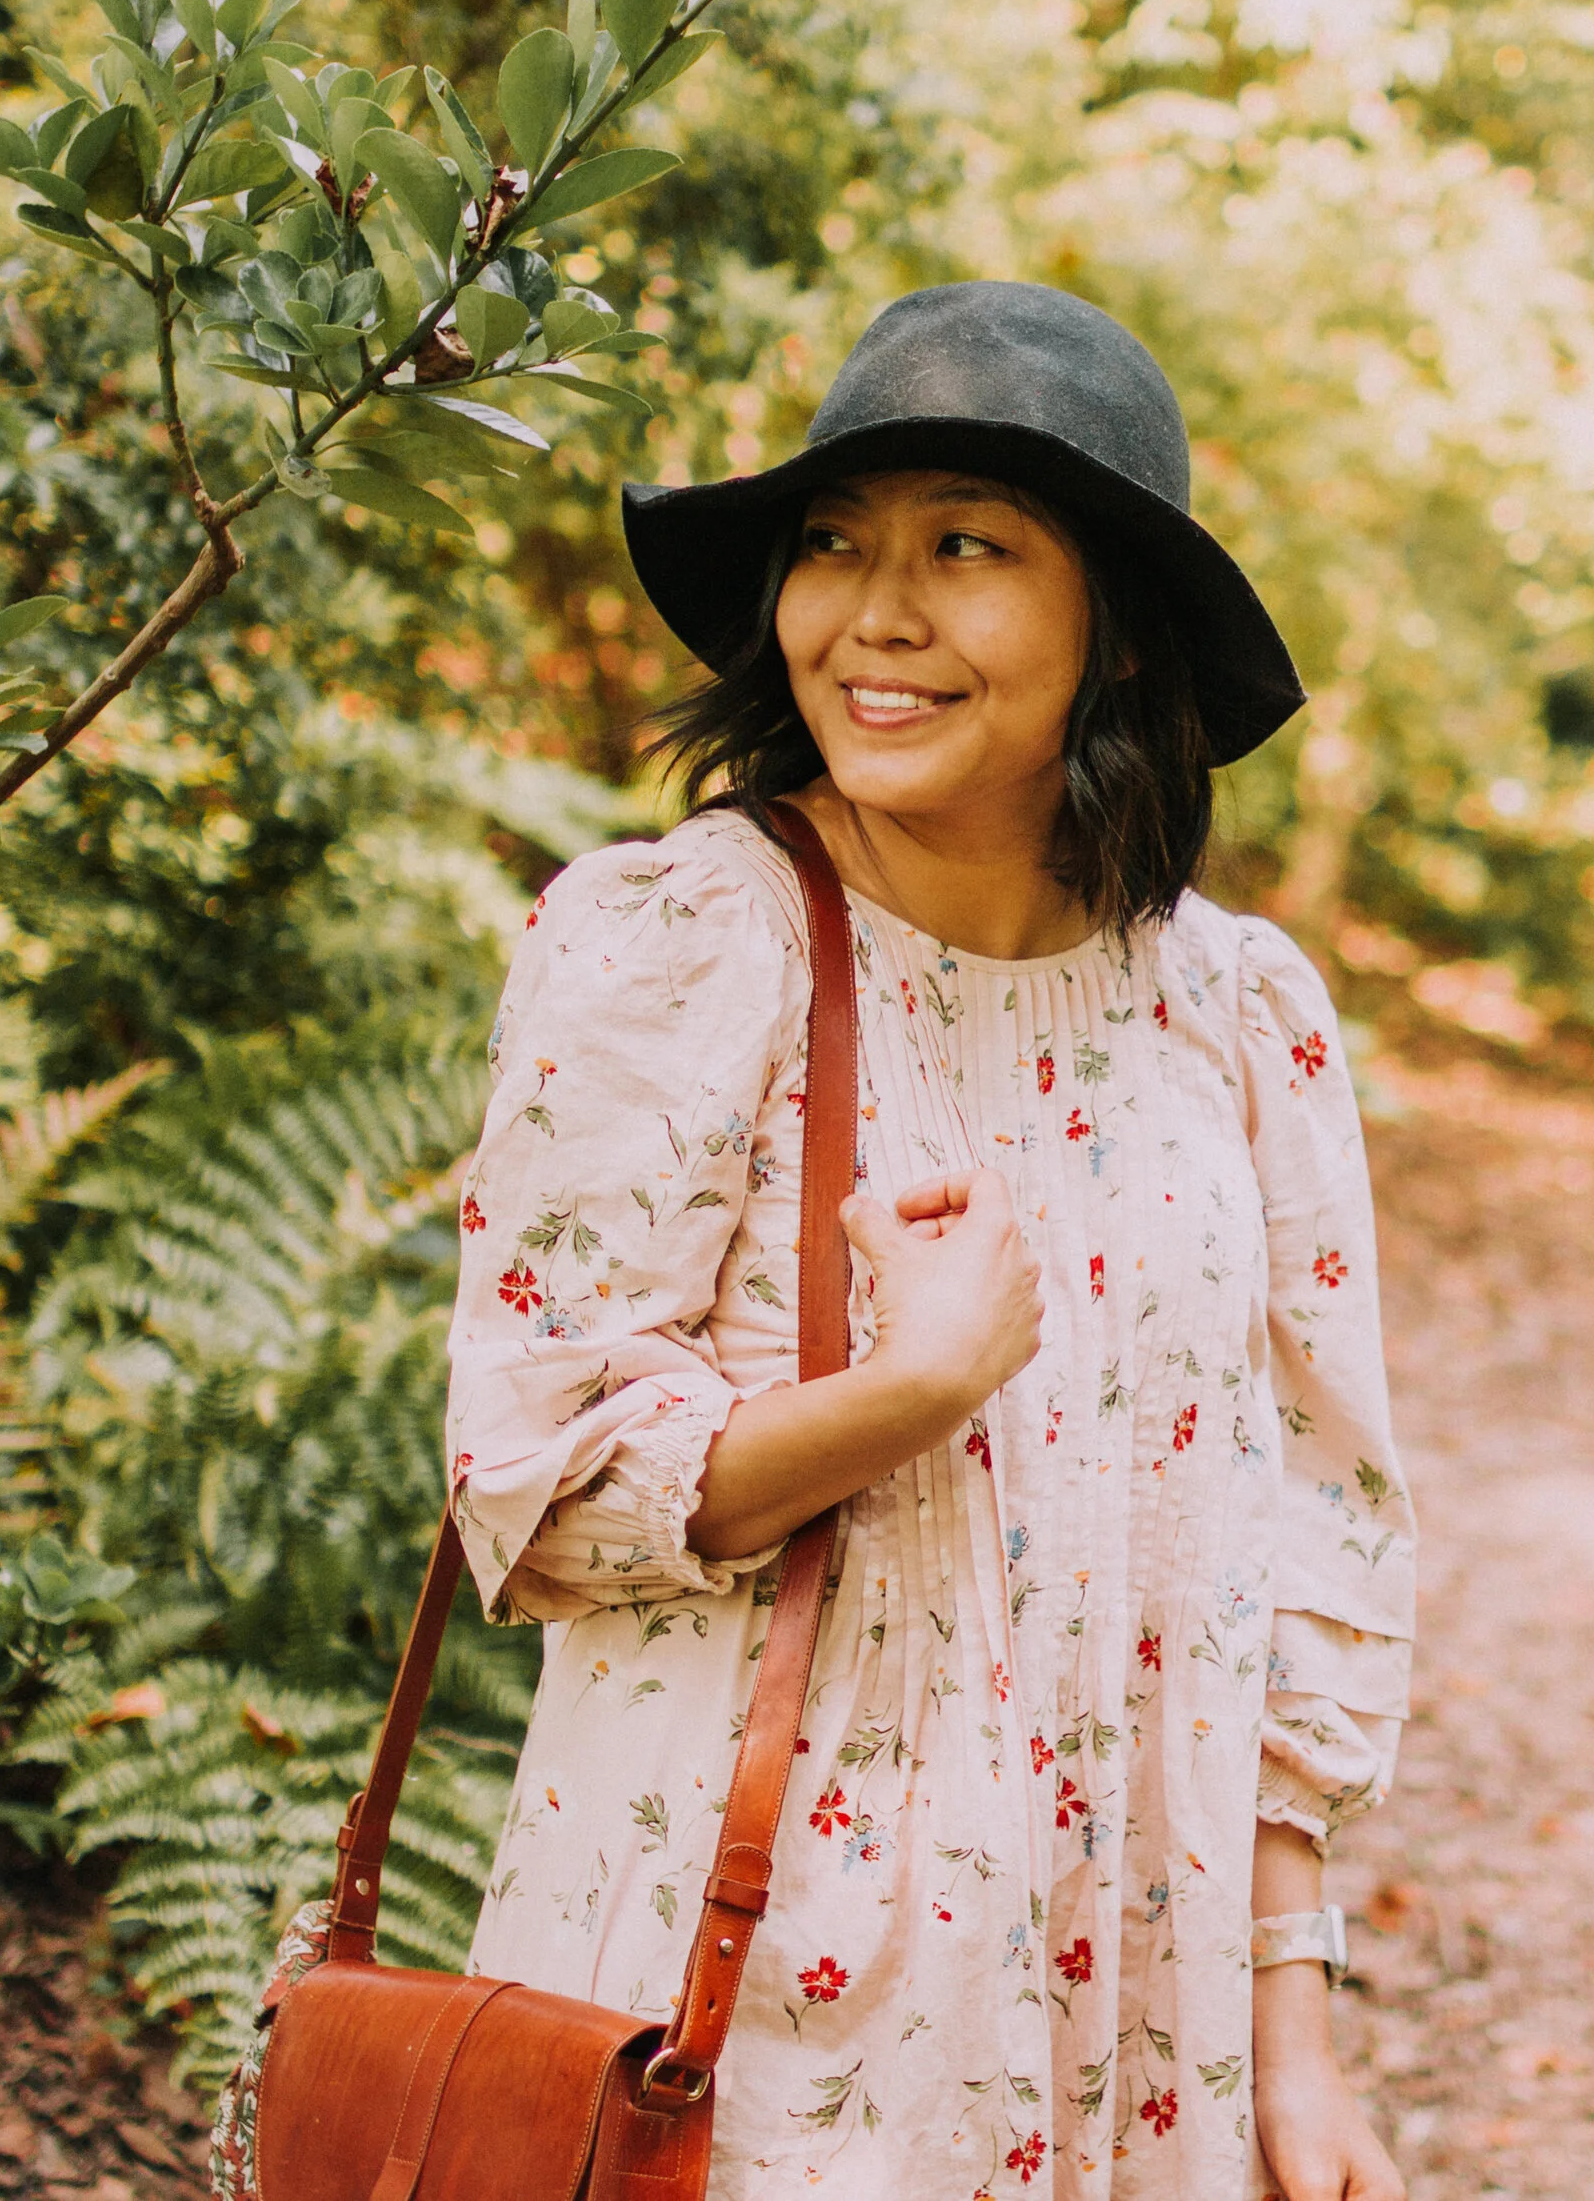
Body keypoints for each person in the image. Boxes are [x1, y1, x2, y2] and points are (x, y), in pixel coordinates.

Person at [445, 280, 1415, 2199]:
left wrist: (1291, 2041)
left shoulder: (1236, 1010)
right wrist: (910, 1392)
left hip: (1140, 1994)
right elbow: (533, 1494)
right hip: (747, 1985)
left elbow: (1308, 1533)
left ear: (1113, 636)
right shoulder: (681, 944)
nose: (876, 617)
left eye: (966, 548)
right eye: (833, 548)